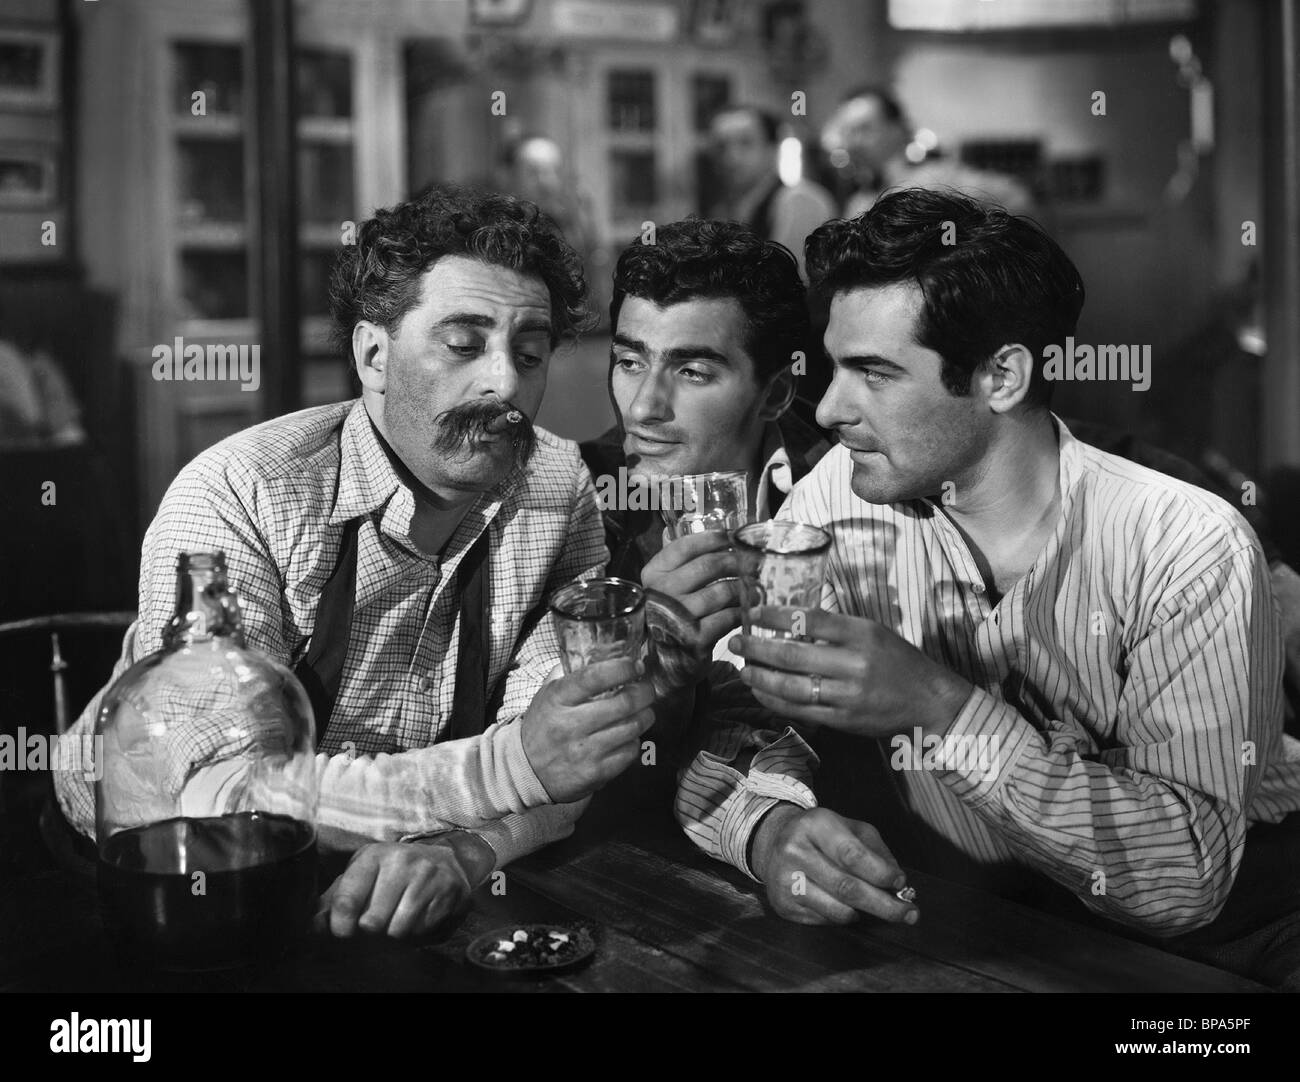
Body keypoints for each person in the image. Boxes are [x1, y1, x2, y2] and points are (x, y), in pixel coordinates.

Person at [675, 188, 1300, 988]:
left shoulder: (1187, 546)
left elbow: (1184, 883)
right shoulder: (836, 498)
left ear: (1002, 375)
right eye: (835, 366)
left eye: (875, 373)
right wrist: (769, 829)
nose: (829, 408)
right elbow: (734, 731)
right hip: (969, 925)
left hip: (1214, 950)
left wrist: (940, 707)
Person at [55, 184, 659, 939]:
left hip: (393, 876)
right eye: (464, 345)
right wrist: (506, 771)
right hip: (148, 882)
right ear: (373, 354)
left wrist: (467, 851)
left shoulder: (559, 486)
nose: (505, 382)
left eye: (529, 353)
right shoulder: (241, 492)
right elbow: (221, 798)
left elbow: (568, 750)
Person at [580, 219, 830, 651]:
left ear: (775, 394)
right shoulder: (581, 500)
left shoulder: (845, 479)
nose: (642, 408)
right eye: (629, 361)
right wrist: (644, 638)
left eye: (692, 372)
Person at [824, 85, 1033, 218]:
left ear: (898, 130)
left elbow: (1016, 198)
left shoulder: (937, 180)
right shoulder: (857, 203)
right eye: (847, 132)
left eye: (864, 129)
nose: (853, 143)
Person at [706, 106, 836, 280]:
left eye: (745, 143)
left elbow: (789, 282)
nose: (731, 157)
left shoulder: (797, 201)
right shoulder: (724, 210)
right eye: (721, 146)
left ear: (772, 148)